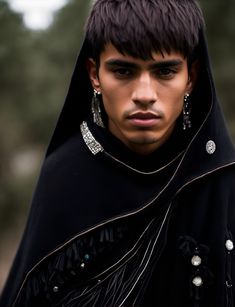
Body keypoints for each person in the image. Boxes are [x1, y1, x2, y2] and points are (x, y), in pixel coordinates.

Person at [1, 0, 235, 306]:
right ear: (95, 74)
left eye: (165, 71)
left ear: (190, 77)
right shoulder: (65, 177)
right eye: (123, 70)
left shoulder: (218, 179)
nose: (144, 95)